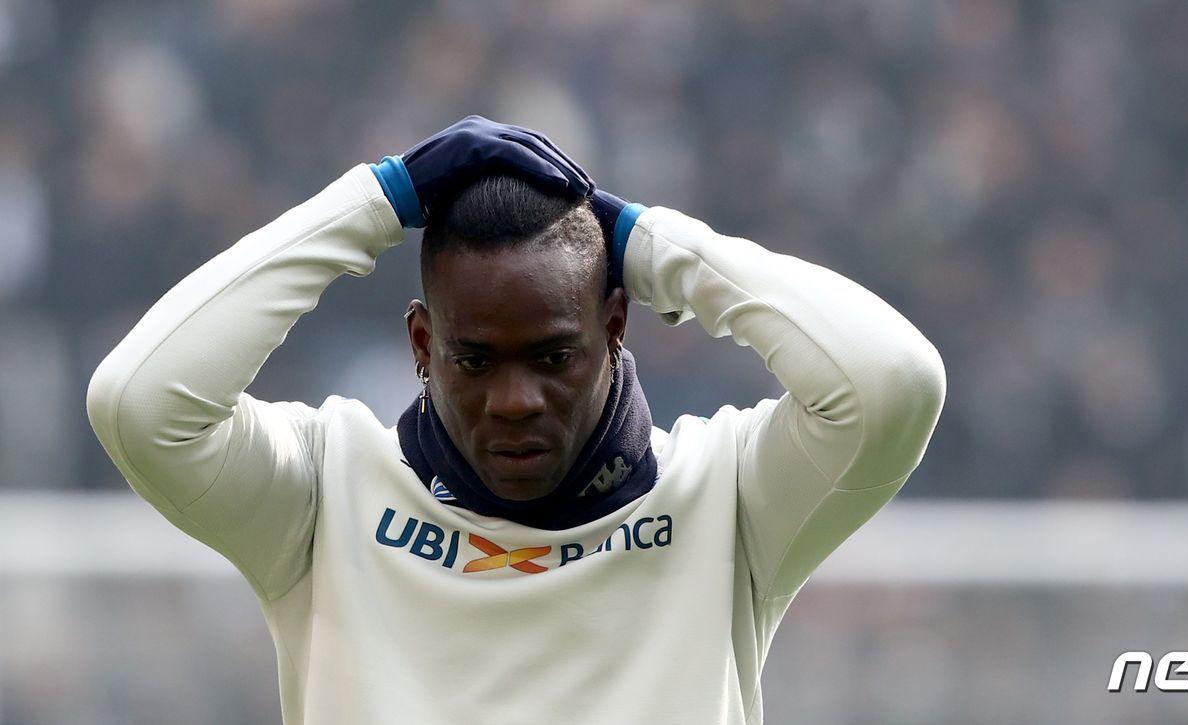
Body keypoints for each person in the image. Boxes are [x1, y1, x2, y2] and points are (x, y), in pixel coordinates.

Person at [87, 115, 946, 724]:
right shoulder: (323, 493)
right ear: (421, 343)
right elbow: (139, 401)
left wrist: (647, 241)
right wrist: (377, 201)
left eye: (552, 355)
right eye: (474, 360)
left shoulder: (725, 494)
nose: (514, 400)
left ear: (615, 326)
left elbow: (893, 381)